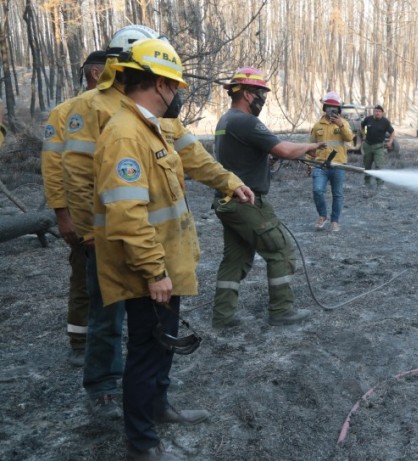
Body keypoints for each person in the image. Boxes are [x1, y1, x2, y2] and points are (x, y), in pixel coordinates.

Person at [93, 38, 253, 461]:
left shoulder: (152, 127)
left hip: (165, 264)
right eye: (174, 85)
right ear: (160, 84)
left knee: (162, 345)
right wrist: (153, 272)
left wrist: (230, 182)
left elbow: (196, 160)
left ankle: (159, 409)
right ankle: (142, 444)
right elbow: (127, 215)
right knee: (146, 354)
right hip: (148, 272)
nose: (177, 93)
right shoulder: (125, 135)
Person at [62, 24, 164, 420]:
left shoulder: (142, 106)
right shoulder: (90, 106)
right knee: (105, 314)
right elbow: (77, 174)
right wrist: (89, 232)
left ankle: (143, 390)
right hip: (104, 235)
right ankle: (102, 385)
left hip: (141, 232)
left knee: (140, 317)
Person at [211, 67, 324, 328]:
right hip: (246, 201)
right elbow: (284, 149)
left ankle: (222, 316)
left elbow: (242, 156)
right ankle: (282, 310)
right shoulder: (246, 121)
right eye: (261, 93)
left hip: (227, 201)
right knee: (280, 250)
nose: (263, 98)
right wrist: (310, 146)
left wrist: (265, 157)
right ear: (248, 94)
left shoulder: (225, 120)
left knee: (235, 259)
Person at [41, 50, 106, 368]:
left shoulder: (117, 110)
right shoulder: (65, 113)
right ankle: (80, 342)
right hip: (83, 214)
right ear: (96, 73)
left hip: (115, 212)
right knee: (83, 277)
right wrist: (62, 215)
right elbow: (53, 168)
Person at [307, 91, 354, 232]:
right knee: (317, 190)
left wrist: (341, 125)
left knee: (337, 194)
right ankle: (322, 215)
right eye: (328, 107)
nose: (331, 110)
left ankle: (335, 221)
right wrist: (309, 162)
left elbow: (349, 138)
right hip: (320, 165)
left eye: (334, 108)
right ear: (324, 108)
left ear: (338, 109)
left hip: (338, 165)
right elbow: (311, 145)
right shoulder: (317, 126)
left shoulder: (343, 123)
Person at [360, 104, 396, 190]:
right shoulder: (368, 119)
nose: (377, 113)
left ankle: (380, 184)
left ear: (382, 113)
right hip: (368, 145)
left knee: (379, 166)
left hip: (379, 147)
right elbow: (362, 126)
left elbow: (393, 132)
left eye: (379, 111)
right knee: (367, 165)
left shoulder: (385, 122)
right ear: (373, 112)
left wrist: (390, 142)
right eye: (376, 111)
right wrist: (364, 134)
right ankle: (366, 182)